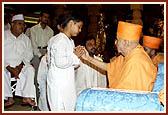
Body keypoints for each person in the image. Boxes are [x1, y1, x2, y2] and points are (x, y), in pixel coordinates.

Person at [81, 21, 157, 91]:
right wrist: (88, 58)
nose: (115, 42)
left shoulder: (136, 62)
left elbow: (125, 94)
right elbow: (110, 67)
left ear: (126, 42)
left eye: (117, 40)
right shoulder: (128, 55)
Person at [46, 13, 84, 111]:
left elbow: (74, 63)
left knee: (69, 106)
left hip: (67, 81)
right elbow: (60, 62)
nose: (80, 30)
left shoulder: (70, 41)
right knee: (59, 107)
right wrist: (75, 55)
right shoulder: (59, 40)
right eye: (79, 27)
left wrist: (78, 56)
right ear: (71, 23)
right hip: (59, 83)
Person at [4, 14, 36, 107]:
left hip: (20, 65)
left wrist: (19, 66)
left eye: (23, 24)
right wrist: (9, 67)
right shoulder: (3, 35)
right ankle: (9, 97)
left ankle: (26, 96)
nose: (22, 26)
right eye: (19, 23)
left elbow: (29, 54)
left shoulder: (26, 39)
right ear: (12, 24)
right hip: (5, 64)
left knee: (30, 69)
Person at [37, 15, 64, 111]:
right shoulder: (54, 40)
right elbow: (41, 80)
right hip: (43, 57)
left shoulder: (70, 41)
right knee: (44, 88)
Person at [29, 10, 54, 77]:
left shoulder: (50, 31)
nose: (46, 19)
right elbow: (33, 44)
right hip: (36, 53)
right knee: (36, 73)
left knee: (46, 73)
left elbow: (51, 45)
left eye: (48, 17)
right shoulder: (33, 29)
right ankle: (36, 87)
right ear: (40, 18)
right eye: (44, 17)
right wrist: (40, 56)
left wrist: (46, 55)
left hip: (46, 52)